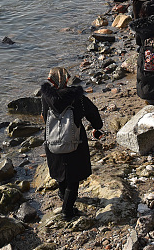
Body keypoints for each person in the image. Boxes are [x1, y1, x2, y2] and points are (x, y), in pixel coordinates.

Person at [40, 67, 103, 221]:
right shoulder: (77, 97)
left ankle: (63, 196)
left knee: (61, 173)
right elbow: (92, 113)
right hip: (75, 142)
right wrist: (97, 127)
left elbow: (43, 116)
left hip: (53, 140)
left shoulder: (45, 96)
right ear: (66, 79)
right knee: (73, 179)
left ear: (51, 80)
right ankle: (67, 212)